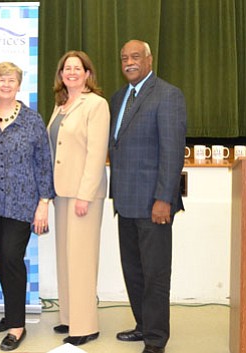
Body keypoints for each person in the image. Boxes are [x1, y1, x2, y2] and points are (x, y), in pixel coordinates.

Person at [109, 40, 186, 353]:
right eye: (124, 57)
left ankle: (156, 340)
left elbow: (171, 152)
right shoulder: (117, 98)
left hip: (154, 204)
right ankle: (142, 325)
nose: (129, 62)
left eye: (135, 56)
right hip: (124, 202)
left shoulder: (168, 95)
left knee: (155, 274)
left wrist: (164, 198)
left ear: (149, 59)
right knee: (133, 270)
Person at [0, 62, 54, 351]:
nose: (6, 84)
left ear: (19, 85)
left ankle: (17, 326)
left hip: (23, 203)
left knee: (11, 256)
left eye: (11, 80)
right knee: (1, 260)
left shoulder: (33, 120)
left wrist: (44, 203)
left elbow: (44, 165)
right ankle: (12, 313)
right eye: (0, 80)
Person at [47, 51, 109, 346]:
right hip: (62, 193)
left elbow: (97, 154)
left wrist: (85, 195)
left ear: (87, 73)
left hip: (84, 194)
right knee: (66, 258)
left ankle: (86, 325)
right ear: (60, 75)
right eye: (66, 68)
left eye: (77, 68)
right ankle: (69, 317)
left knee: (82, 259)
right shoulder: (61, 105)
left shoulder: (96, 104)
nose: (71, 72)